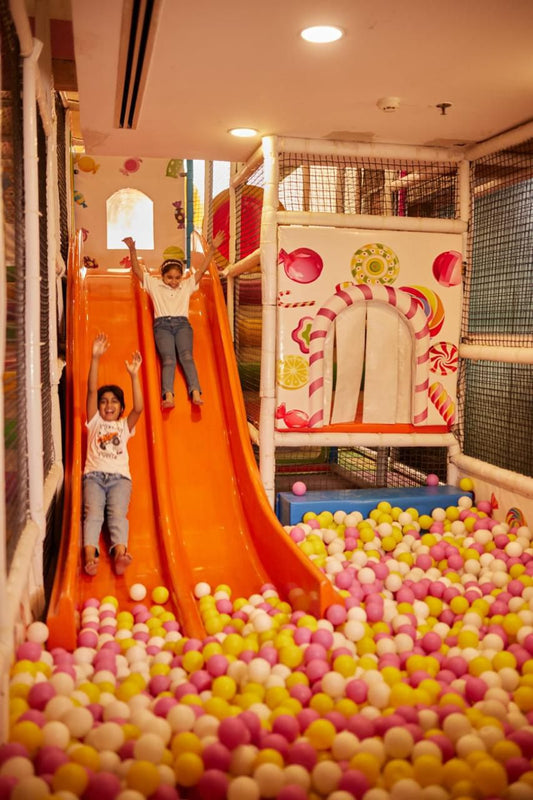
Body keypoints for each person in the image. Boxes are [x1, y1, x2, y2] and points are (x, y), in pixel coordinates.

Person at [122, 231, 224, 409]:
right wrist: (132, 249)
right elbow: (138, 271)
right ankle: (168, 395)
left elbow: (202, 270)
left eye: (177, 278)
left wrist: (212, 249)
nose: (174, 281)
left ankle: (196, 392)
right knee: (169, 360)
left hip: (182, 325)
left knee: (187, 357)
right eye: (169, 277)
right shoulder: (154, 285)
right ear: (162, 276)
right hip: (162, 326)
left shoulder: (186, 285)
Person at [83, 333, 143, 576]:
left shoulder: (124, 426)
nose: (109, 405)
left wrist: (134, 375)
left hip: (120, 479)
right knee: (94, 514)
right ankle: (89, 556)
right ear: (98, 407)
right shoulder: (94, 422)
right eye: (104, 401)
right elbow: (90, 390)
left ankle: (120, 553)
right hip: (94, 477)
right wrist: (95, 358)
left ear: (121, 407)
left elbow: (139, 407)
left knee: (118, 515)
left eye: (115, 402)